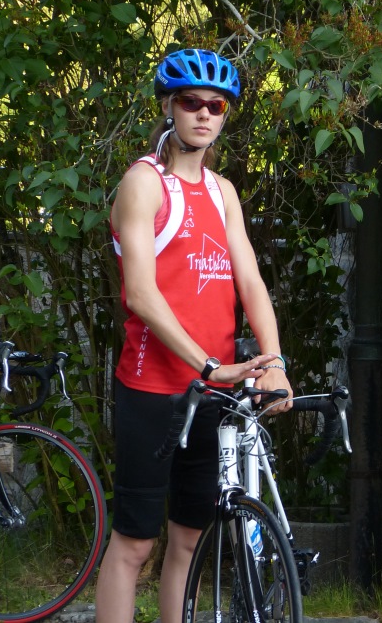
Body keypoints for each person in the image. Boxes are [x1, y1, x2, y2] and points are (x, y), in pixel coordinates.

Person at [97, 48, 293, 623]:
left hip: (214, 393)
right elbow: (141, 294)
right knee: (135, 543)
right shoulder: (143, 183)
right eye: (190, 102)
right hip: (153, 390)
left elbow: (250, 281)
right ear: (169, 106)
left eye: (217, 106)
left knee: (189, 538)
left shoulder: (221, 190)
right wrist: (210, 364)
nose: (204, 114)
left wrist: (273, 360)